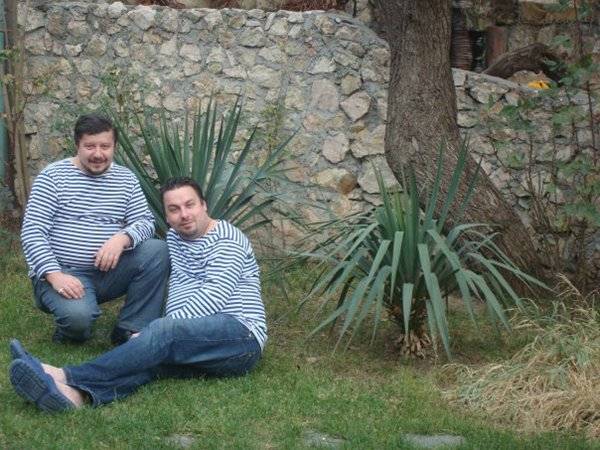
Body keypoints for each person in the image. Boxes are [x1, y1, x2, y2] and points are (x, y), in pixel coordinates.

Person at [8, 177, 267, 411]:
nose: (184, 214)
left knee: (161, 334)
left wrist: (157, 331)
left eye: (190, 205)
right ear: (166, 217)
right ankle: (75, 396)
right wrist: (151, 340)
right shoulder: (175, 240)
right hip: (198, 344)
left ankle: (64, 375)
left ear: (204, 205)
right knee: (146, 362)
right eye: (174, 209)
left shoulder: (227, 239)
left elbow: (214, 295)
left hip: (240, 339)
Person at [20, 114, 169, 345]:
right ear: (77, 145)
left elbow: (145, 222)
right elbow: (33, 231)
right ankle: (71, 329)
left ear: (114, 146)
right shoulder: (52, 177)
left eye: (105, 146)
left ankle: (131, 328)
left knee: (157, 250)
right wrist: (54, 275)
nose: (98, 154)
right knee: (78, 320)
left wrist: (122, 238)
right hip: (63, 272)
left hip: (108, 273)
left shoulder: (126, 179)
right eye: (90, 146)